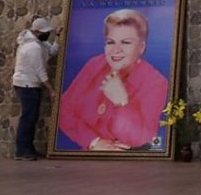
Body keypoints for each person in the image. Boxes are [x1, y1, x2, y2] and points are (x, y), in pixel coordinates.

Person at [58, 9, 169, 151]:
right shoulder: (95, 64)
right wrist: (94, 142)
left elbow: (143, 138)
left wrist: (122, 103)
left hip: (130, 166)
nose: (116, 50)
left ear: (141, 47)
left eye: (126, 43)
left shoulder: (156, 83)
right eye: (110, 42)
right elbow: (63, 110)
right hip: (85, 160)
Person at [12, 17, 59, 160]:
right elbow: (40, 71)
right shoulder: (33, 47)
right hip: (27, 84)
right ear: (37, 32)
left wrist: (57, 37)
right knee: (28, 117)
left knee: (32, 117)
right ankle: (22, 150)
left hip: (31, 83)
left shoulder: (39, 43)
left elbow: (52, 51)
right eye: (45, 32)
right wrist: (51, 90)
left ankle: (29, 149)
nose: (47, 35)